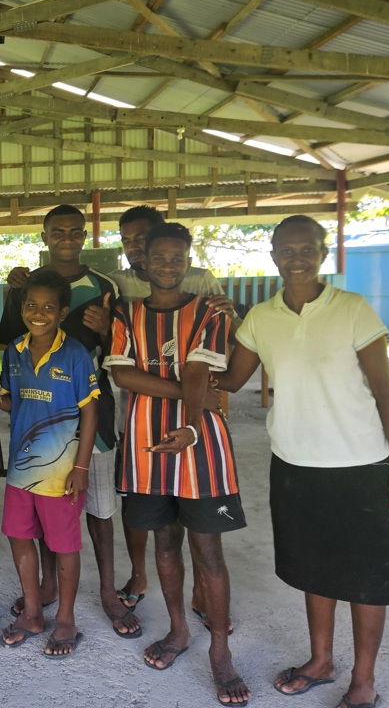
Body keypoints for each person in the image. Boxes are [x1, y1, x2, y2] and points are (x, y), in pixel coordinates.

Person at [215, 215, 389, 708]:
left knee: (368, 577)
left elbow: (384, 389)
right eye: (287, 249)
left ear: (324, 254)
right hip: (295, 464)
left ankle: (363, 680)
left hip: (362, 463)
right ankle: (321, 660)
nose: (296, 257)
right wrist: (193, 340)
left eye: (307, 249)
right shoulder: (261, 318)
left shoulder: (352, 309)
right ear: (274, 256)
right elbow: (230, 381)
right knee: (315, 568)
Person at [106, 222, 250, 707]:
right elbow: (124, 375)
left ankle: (221, 652)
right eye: (158, 256)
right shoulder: (125, 312)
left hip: (200, 447)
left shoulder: (208, 309)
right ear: (141, 260)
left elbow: (196, 368)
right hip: (147, 448)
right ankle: (178, 630)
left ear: (189, 261)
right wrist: (198, 399)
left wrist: (191, 423)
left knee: (208, 552)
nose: (168, 264)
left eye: (178, 257)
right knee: (165, 545)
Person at [0, 204, 137, 639]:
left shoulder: (104, 285)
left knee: (98, 505)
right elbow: (9, 343)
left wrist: (106, 327)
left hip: (91, 414)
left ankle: (109, 591)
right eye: (58, 231)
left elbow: (125, 345)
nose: (67, 238)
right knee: (43, 505)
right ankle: (50, 583)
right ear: (44, 235)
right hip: (40, 423)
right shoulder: (25, 285)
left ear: (84, 236)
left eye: (75, 232)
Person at [0, 269, 99, 658]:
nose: (38, 313)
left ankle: (65, 618)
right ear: (22, 308)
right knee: (19, 536)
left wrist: (81, 468)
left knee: (65, 545)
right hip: (21, 470)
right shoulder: (14, 352)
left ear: (62, 312)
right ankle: (33, 613)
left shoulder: (75, 354)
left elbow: (90, 413)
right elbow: (16, 402)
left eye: (48, 307)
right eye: (31, 305)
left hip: (62, 474)